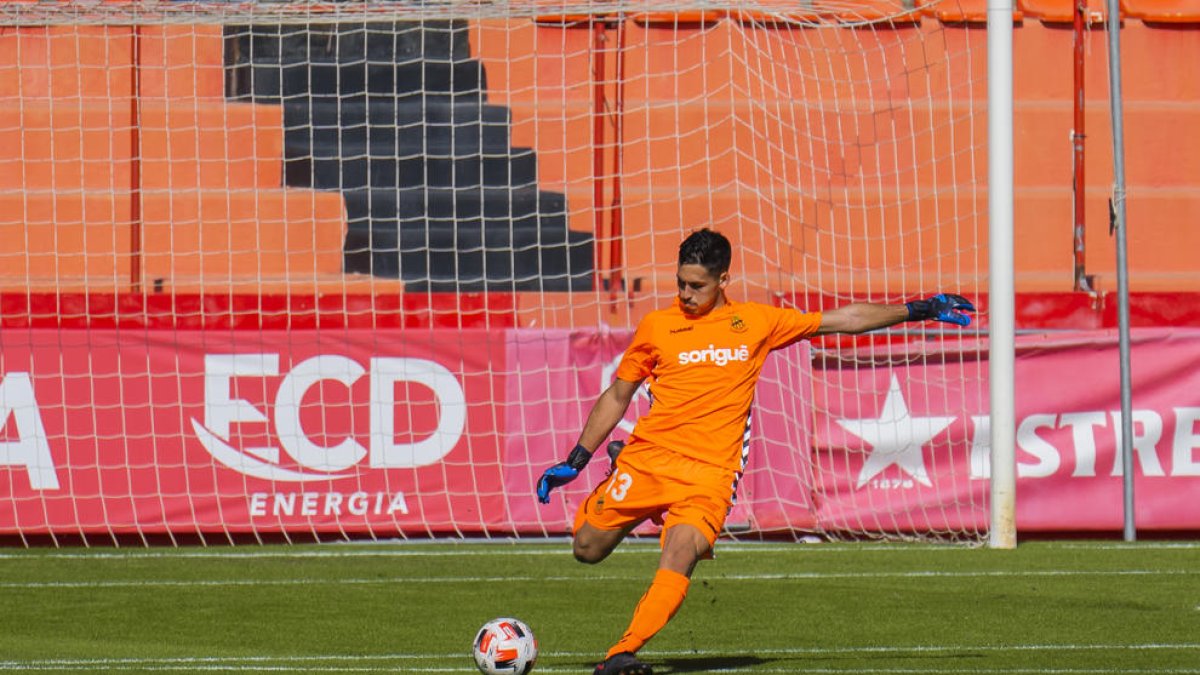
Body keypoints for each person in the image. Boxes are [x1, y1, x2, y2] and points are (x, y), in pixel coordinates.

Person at [536, 228, 974, 675]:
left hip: (709, 474)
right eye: (680, 283)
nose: (685, 295)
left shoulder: (756, 323)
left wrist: (917, 309)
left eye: (697, 286)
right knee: (586, 549)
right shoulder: (657, 326)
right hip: (649, 458)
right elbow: (618, 394)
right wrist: (576, 459)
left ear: (723, 279)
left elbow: (842, 320)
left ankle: (622, 654)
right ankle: (617, 468)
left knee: (681, 552)